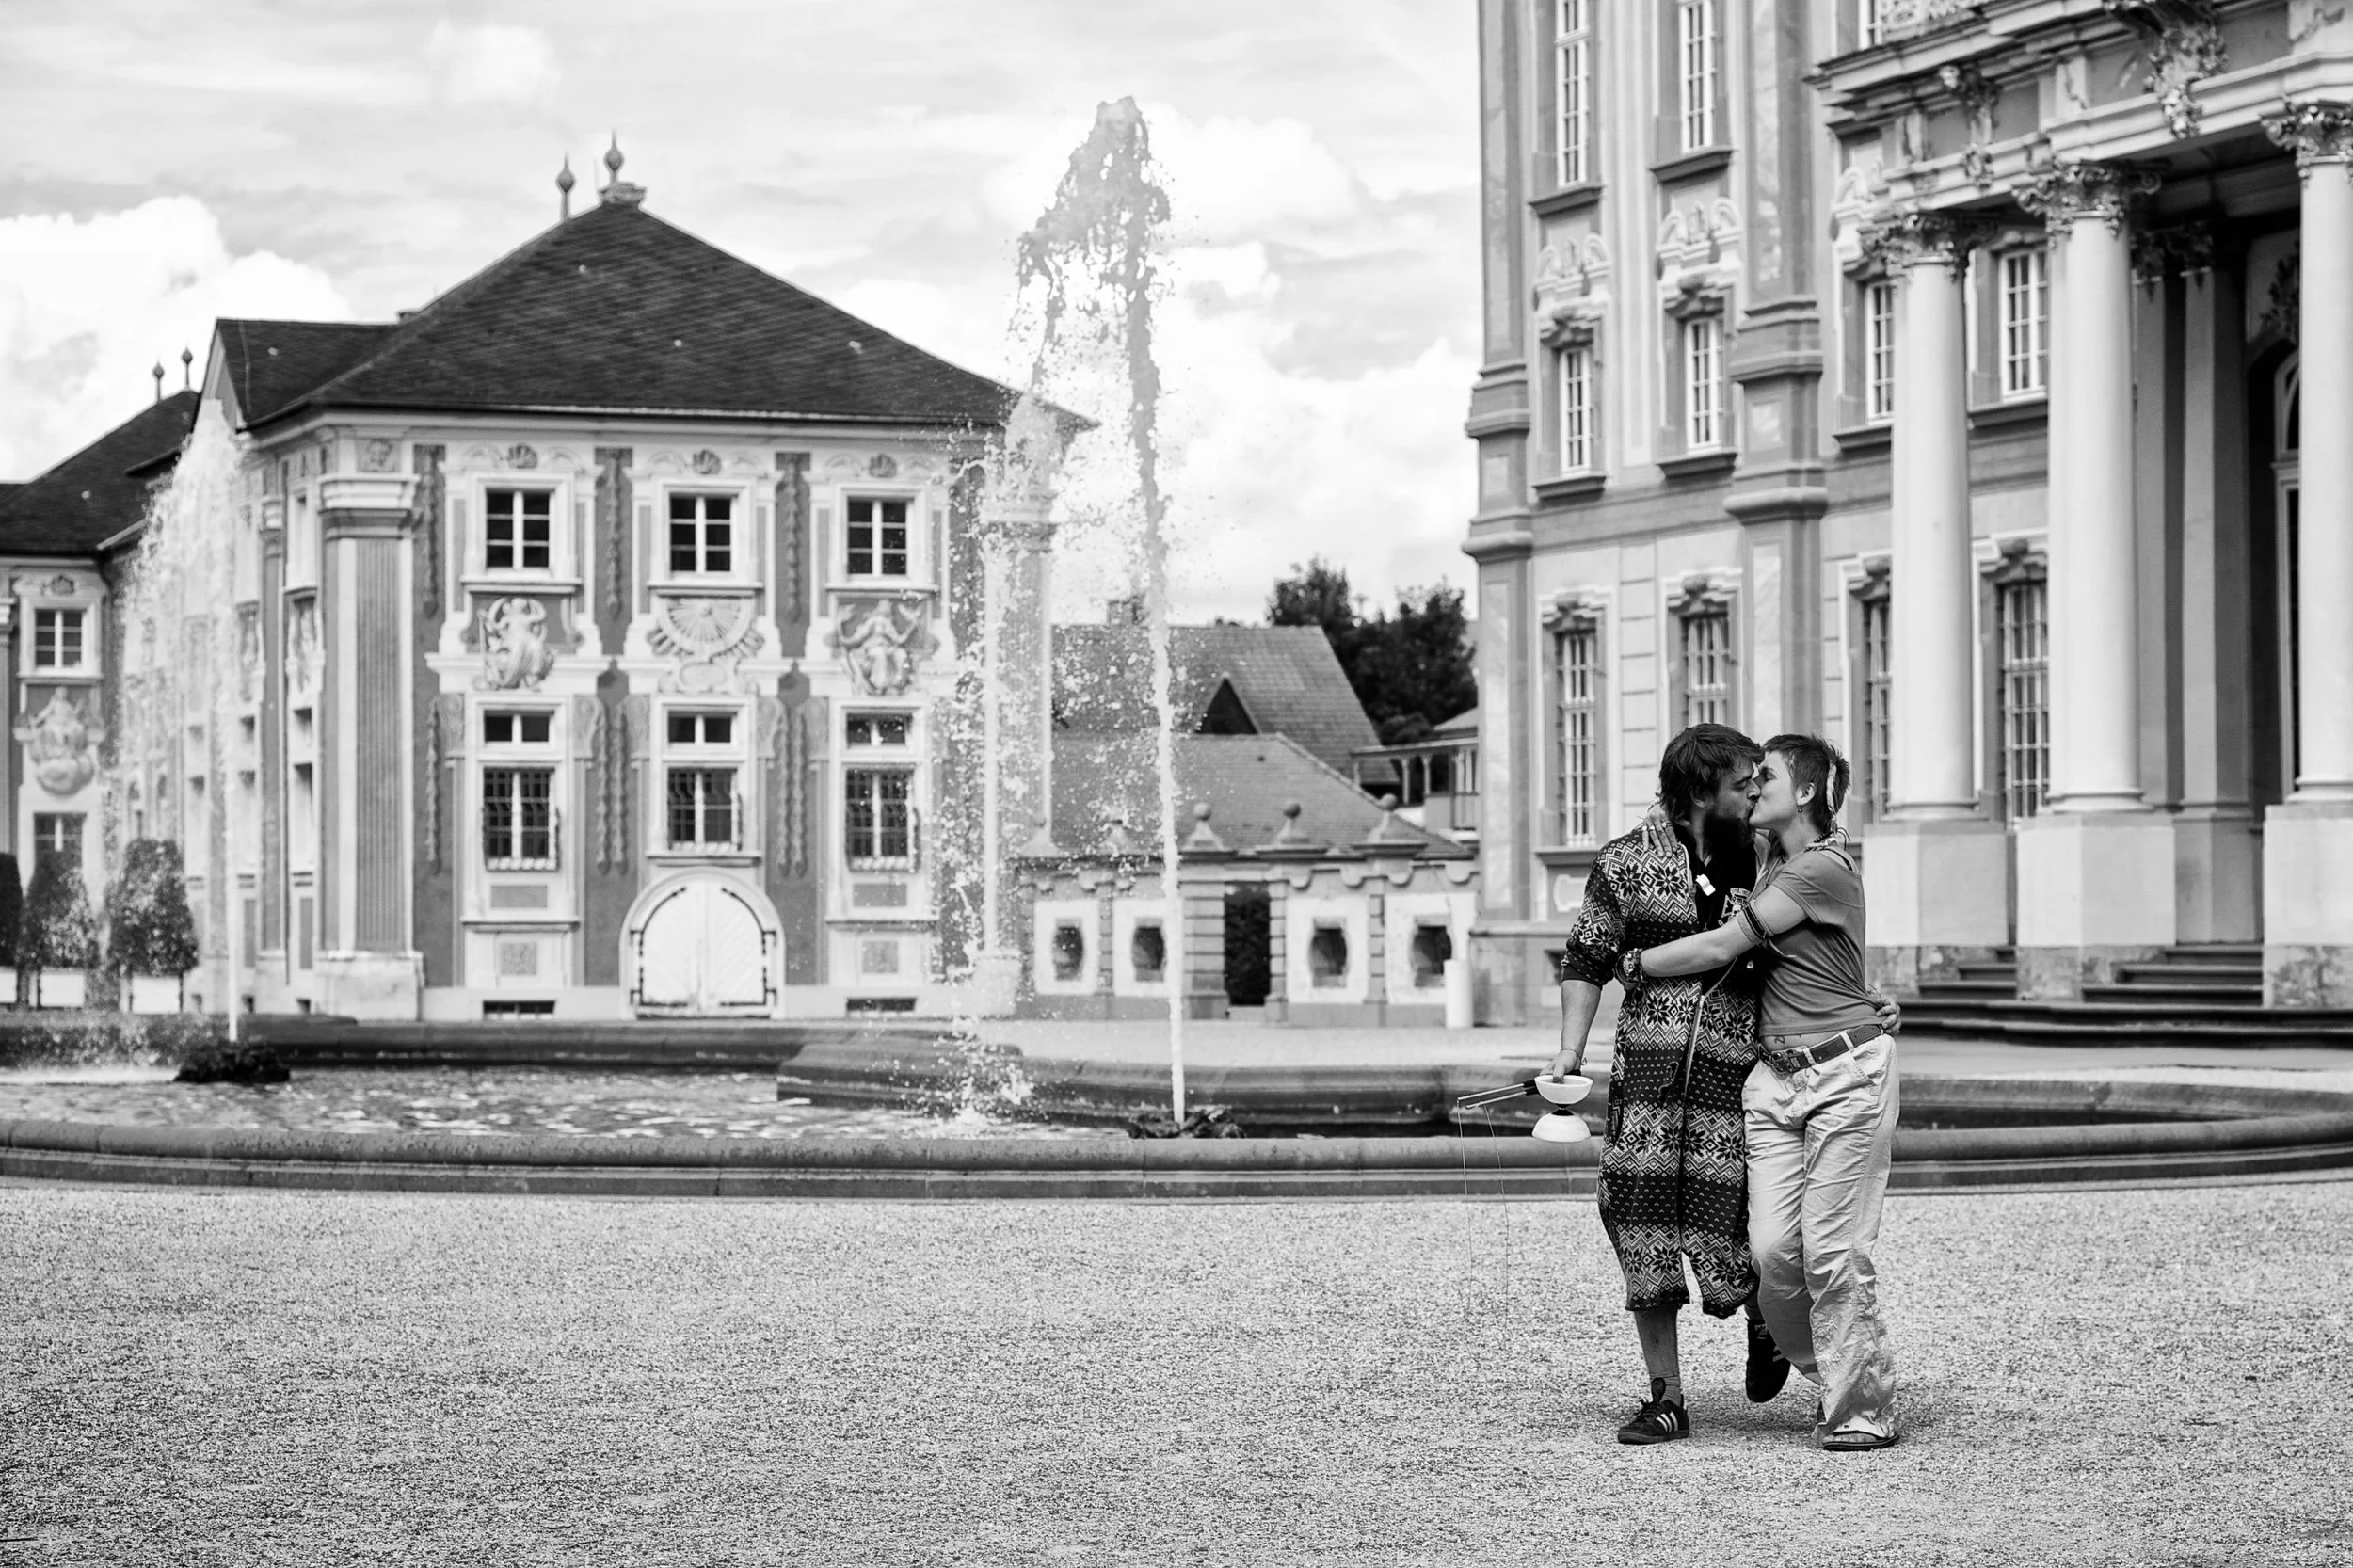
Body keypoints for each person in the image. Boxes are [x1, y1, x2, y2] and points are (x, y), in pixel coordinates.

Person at [1625, 734, 1899, 1451]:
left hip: (1843, 1074)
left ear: (1804, 792)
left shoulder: (1819, 866)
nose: (1752, 789)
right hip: (1774, 1080)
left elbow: (1721, 948)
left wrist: (1635, 962)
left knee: (1832, 1255)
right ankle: (1834, 1374)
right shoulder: (1770, 861)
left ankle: (1860, 1408)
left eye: (1765, 777)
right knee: (1773, 1255)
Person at [1546, 724, 1771, 1447]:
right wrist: (1568, 1055)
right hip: (1647, 1072)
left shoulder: (1768, 857)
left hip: (1742, 1069)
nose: (1755, 792)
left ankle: (1767, 1317)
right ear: (1704, 788)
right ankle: (1665, 1397)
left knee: (1753, 1212)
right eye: (1743, 783)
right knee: (1638, 1216)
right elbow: (1584, 958)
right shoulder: (1622, 862)